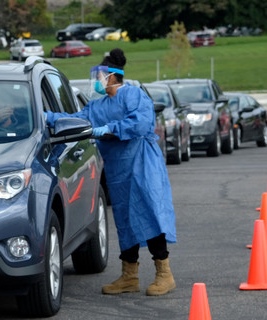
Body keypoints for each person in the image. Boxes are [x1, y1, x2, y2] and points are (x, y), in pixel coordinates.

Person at [45, 48, 177, 296]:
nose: (97, 80)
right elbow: (76, 120)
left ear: (113, 76)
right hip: (118, 169)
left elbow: (141, 123)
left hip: (142, 164)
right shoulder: (97, 106)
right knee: (125, 220)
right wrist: (47, 117)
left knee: (148, 213)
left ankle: (164, 273)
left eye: (100, 75)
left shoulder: (134, 95)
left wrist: (108, 129)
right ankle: (130, 275)